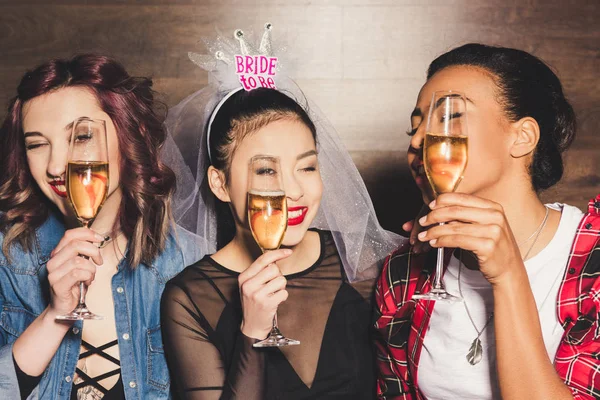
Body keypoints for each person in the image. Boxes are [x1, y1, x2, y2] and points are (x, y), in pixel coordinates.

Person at [160, 24, 405, 399]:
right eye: (266, 170)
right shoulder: (190, 296)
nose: (293, 191)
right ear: (219, 183)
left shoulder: (365, 262)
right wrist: (252, 332)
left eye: (306, 167)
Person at [374, 43, 600, 399]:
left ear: (522, 137)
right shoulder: (405, 271)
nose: (418, 141)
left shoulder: (593, 264)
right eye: (414, 129)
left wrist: (509, 276)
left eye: (450, 117)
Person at [0, 54, 204, 399]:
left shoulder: (188, 260)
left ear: (128, 135)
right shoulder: (7, 258)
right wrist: (54, 317)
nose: (56, 165)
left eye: (80, 137)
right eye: (37, 144)